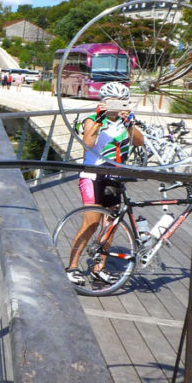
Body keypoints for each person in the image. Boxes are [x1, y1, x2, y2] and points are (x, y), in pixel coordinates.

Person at [65, 81, 144, 286]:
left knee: (110, 226)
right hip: (93, 177)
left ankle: (99, 268)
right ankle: (72, 267)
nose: (117, 105)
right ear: (103, 101)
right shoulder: (91, 120)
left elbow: (139, 142)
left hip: (115, 178)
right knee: (91, 223)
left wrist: (130, 124)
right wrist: (100, 118)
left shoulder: (126, 122)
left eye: (122, 101)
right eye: (112, 101)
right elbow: (88, 144)